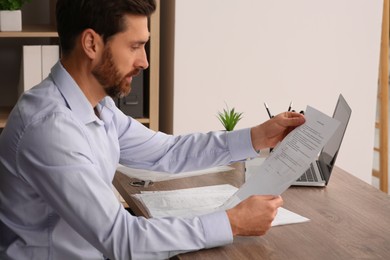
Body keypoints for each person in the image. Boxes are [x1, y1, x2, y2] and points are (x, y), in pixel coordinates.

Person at [0, 0, 305, 259]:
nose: (144, 61)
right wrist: (230, 223)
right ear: (91, 43)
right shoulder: (50, 128)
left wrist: (256, 137)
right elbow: (121, 238)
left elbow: (165, 152)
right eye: (135, 46)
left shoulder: (98, 106)